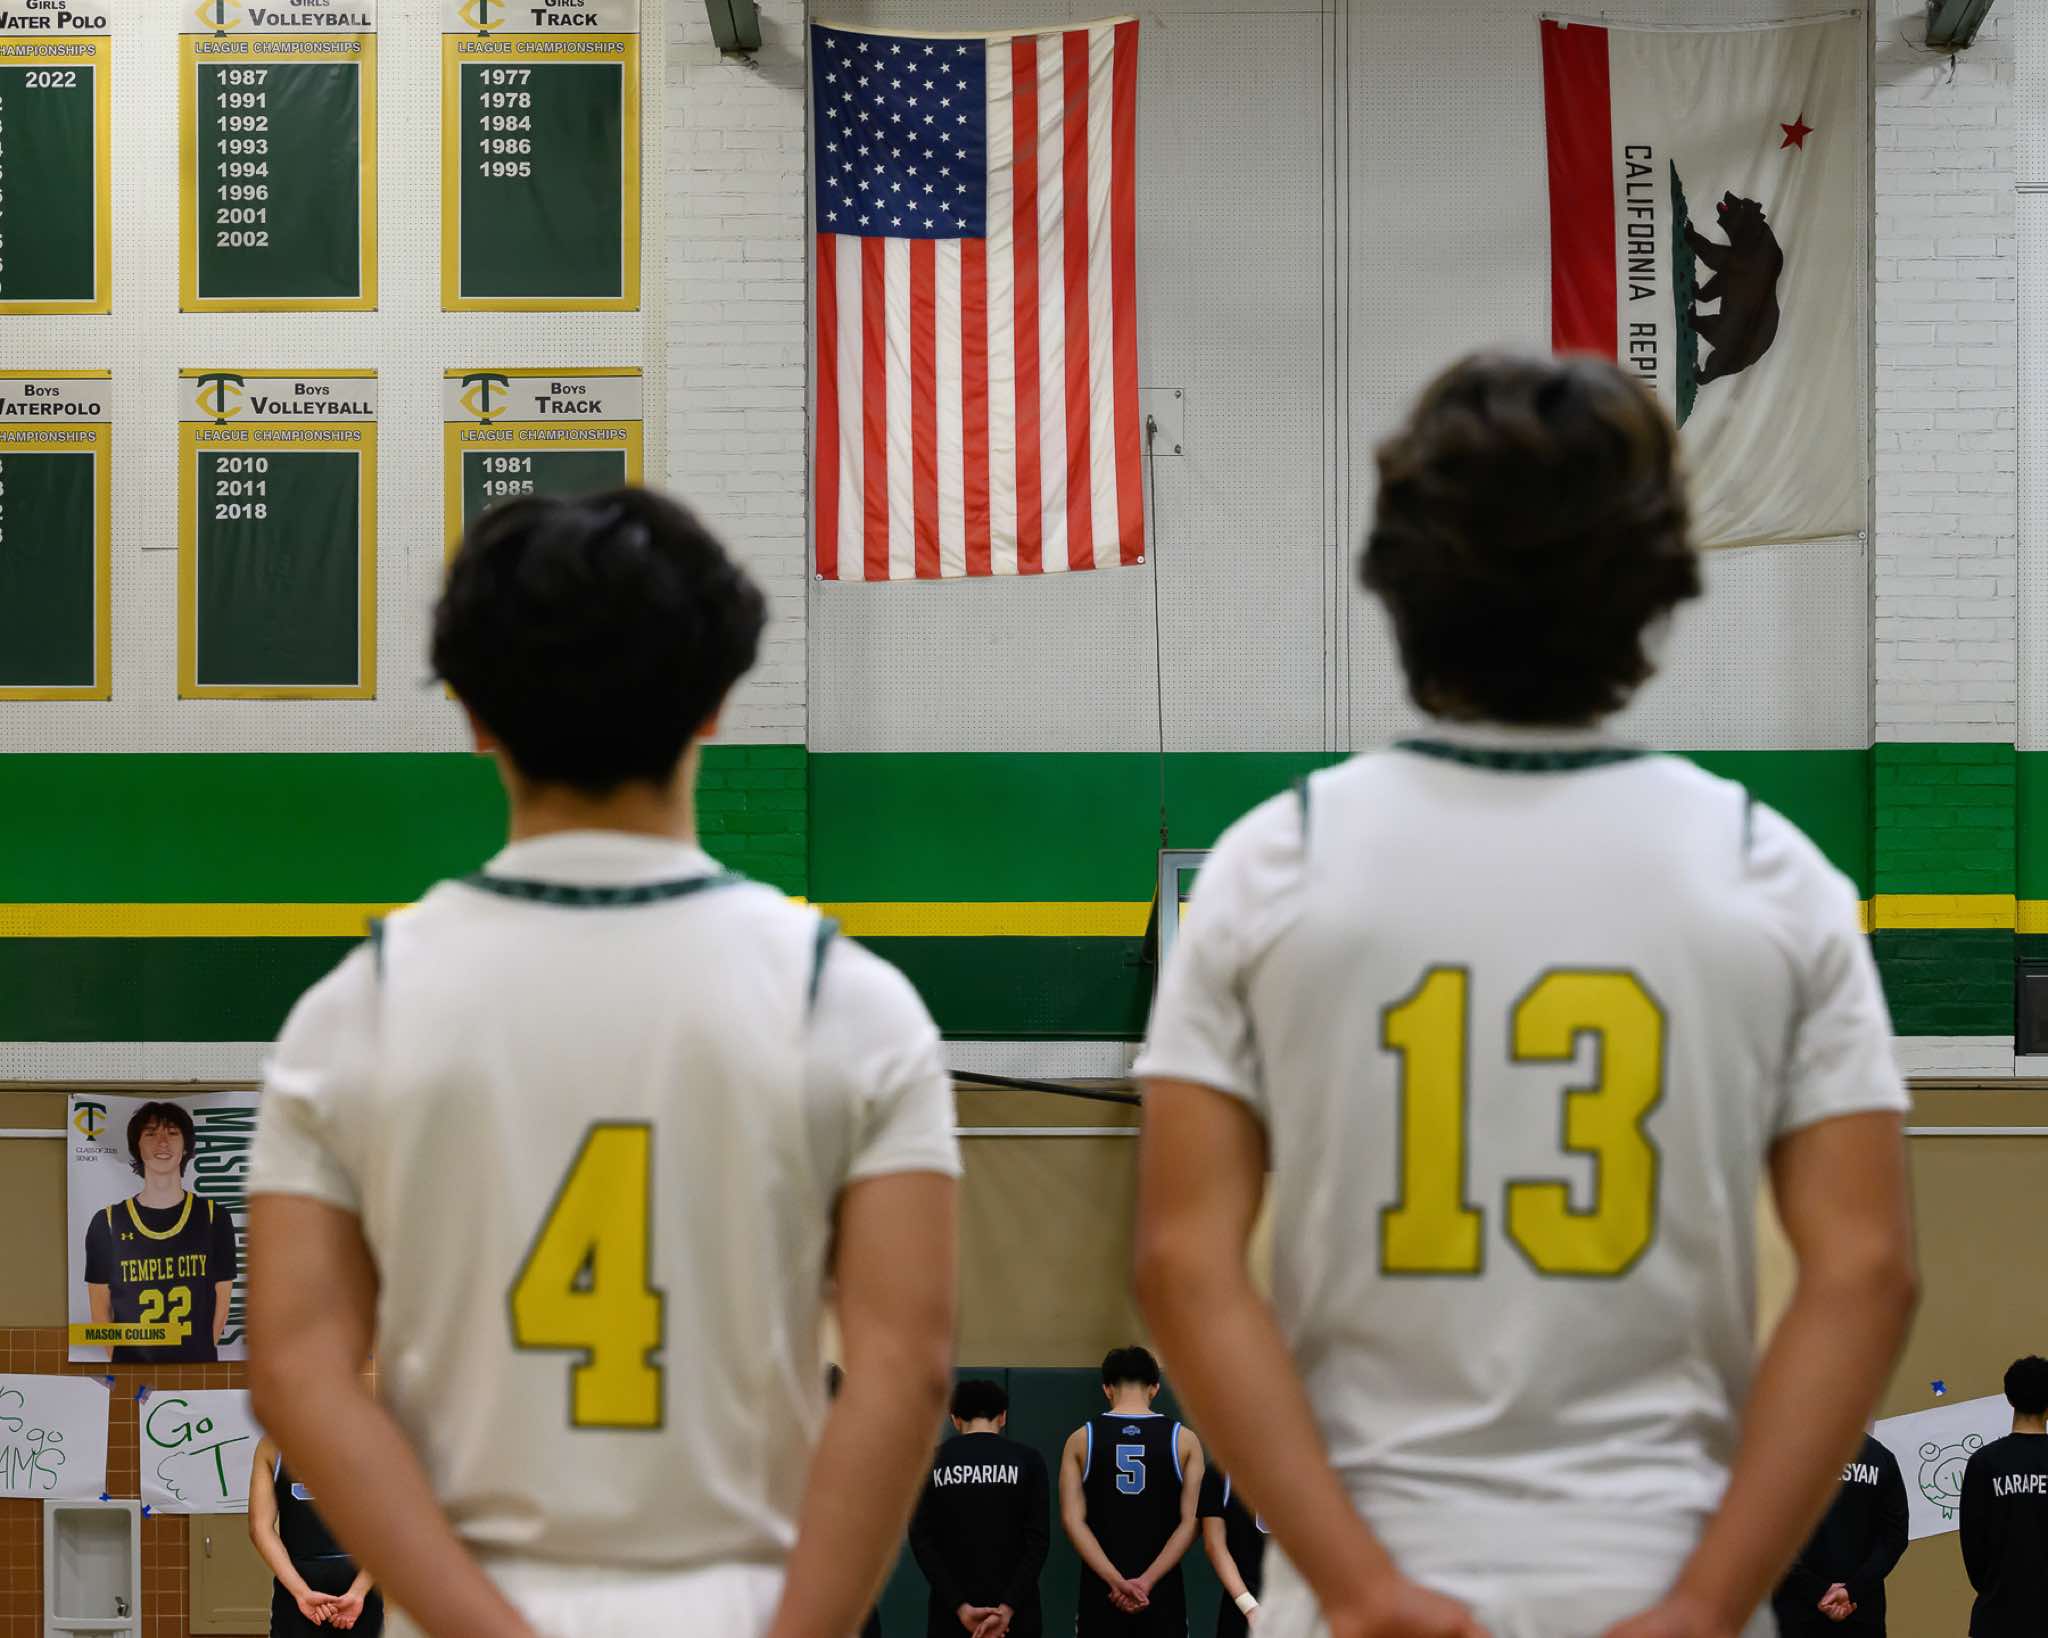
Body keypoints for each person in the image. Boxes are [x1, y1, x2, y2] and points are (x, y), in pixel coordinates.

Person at [1131, 353, 1919, 1638]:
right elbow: (1866, 1272)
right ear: (1659, 593)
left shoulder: (1274, 864)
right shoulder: (1768, 872)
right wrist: (1709, 1600)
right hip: (1650, 1572)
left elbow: (1179, 1264)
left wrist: (1359, 1587)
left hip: (1364, 1583)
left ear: (1395, 584)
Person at [245, 490, 962, 1638]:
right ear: (718, 702)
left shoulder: (353, 1011)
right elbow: (906, 1366)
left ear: (472, 715)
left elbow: (294, 1368)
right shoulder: (852, 1004)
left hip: (468, 1610)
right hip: (735, 1601)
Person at [1059, 1346, 1202, 1635]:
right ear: (1155, 1388)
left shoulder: (1080, 1439)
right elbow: (1192, 1522)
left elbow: (1073, 1521)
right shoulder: (1185, 1440)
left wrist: (1116, 1581)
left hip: (1102, 1595)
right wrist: (1146, 1582)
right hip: (1161, 1596)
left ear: (1107, 1388)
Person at [82, 1101, 238, 1363]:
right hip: (132, 1370)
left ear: (186, 1146)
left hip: (194, 1370)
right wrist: (123, 1362)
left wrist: (196, 1358)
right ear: (137, 1147)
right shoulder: (106, 1222)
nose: (162, 1142)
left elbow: (221, 1307)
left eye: (173, 1133)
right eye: (151, 1133)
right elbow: (100, 1314)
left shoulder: (215, 1218)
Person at [909, 1378, 1051, 1638]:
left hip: (950, 1617)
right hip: (1017, 1618)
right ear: (1003, 1416)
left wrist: (960, 1606)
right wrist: (1006, 1608)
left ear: (954, 1418)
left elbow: (921, 1542)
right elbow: (1038, 1542)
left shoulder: (930, 1462)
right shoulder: (1029, 1460)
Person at [1770, 1430, 1906, 1633]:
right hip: (1861, 1611)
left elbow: (1767, 1539)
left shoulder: (1781, 1456)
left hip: (1796, 1612)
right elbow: (1894, 1539)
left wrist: (1819, 1591)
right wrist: (1852, 1591)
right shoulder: (1880, 1457)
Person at [249, 1437, 382, 1635]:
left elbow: (259, 1528)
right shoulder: (376, 1442)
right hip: (354, 1586)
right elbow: (393, 1530)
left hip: (299, 1584)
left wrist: (301, 1592)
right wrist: (358, 1592)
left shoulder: (271, 1444)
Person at [1959, 1354, 2048, 1638]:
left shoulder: (1983, 1463)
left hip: (1997, 1616)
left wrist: (1995, 1586)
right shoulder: (1983, 1463)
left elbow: (1973, 1546)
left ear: (2009, 1398)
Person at [1199, 1465, 1267, 1636]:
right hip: (1241, 1605)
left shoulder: (1309, 1470)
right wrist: (1249, 1607)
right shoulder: (1220, 1473)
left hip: (1296, 1600)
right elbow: (1214, 1545)